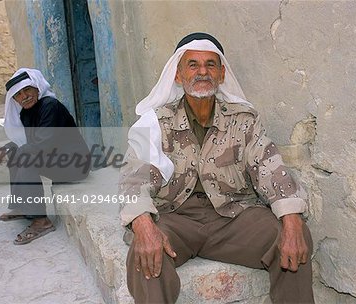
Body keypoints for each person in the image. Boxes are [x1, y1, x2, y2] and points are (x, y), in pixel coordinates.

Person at [119, 33, 314, 303]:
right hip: (175, 219)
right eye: (193, 64)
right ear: (178, 75)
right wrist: (142, 225)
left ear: (221, 74)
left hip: (233, 218)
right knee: (147, 254)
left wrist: (291, 219)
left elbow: (270, 168)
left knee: (293, 236)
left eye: (211, 65)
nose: (202, 72)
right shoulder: (155, 123)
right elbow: (134, 179)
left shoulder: (243, 120)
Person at [0, 68, 91, 245]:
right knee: (14, 149)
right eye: (18, 94)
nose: (24, 96)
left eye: (27, 90)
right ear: (14, 99)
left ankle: (41, 221)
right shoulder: (26, 113)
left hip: (76, 165)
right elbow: (28, 142)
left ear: (37, 87)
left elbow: (43, 145)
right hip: (57, 160)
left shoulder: (50, 105)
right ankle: (22, 205)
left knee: (26, 153)